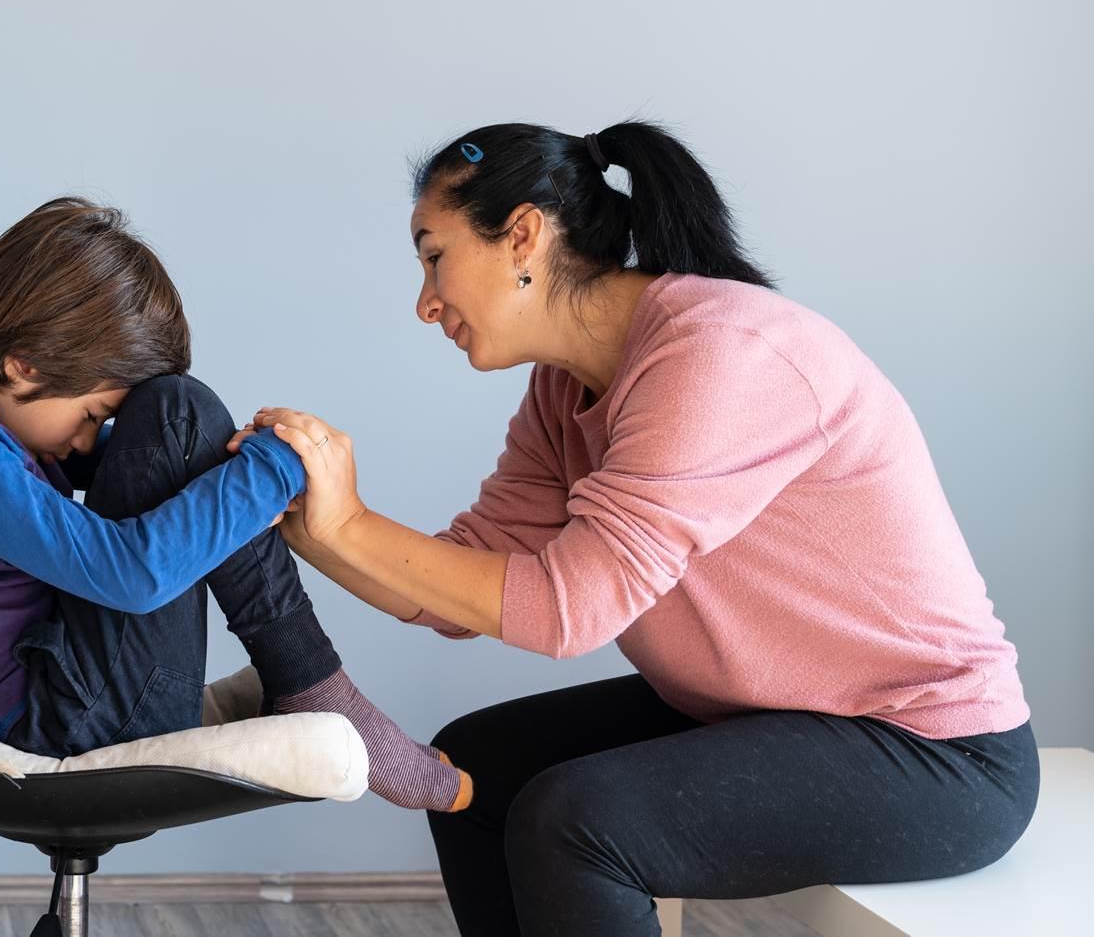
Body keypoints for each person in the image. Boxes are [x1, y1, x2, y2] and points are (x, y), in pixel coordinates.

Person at [232, 121, 1036, 936]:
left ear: (521, 236)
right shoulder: (563, 390)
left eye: (434, 255)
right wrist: (314, 528)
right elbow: (459, 584)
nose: (425, 301)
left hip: (931, 749)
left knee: (575, 820)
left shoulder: (719, 353)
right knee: (473, 772)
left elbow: (566, 612)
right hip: (759, 711)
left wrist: (354, 521)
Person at [0, 196, 471, 811]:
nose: (88, 438)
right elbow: (132, 576)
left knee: (178, 417)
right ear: (21, 365)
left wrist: (226, 460)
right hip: (51, 725)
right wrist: (282, 462)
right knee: (180, 410)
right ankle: (312, 682)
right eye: (93, 414)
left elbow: (159, 448)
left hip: (62, 691)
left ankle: (309, 681)